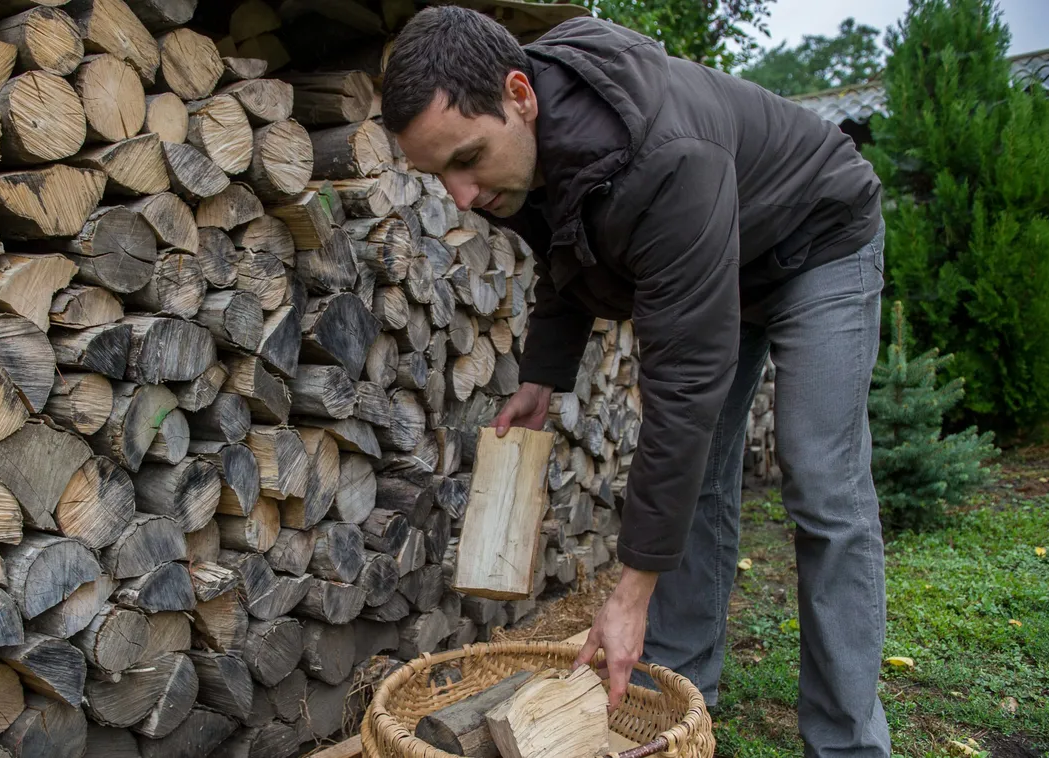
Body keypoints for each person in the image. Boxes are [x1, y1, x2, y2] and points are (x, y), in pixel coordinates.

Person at [380, 7, 891, 758]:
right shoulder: (520, 154)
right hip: (721, 249)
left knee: (819, 479)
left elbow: (683, 388)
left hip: (815, 241)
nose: (460, 196)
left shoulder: (662, 156)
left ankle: (847, 742)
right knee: (704, 482)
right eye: (438, 176)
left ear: (520, 94)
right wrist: (542, 377)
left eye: (467, 159)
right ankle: (672, 696)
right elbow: (568, 252)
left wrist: (629, 590)